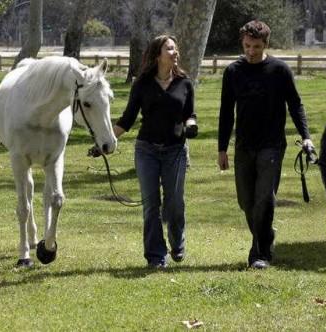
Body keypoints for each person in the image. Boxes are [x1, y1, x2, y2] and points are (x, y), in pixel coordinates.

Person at [217, 20, 314, 269]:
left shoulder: (279, 70)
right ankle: (267, 236)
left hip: (271, 145)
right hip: (243, 146)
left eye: (256, 47)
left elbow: (295, 105)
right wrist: (222, 148)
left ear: (266, 45)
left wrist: (306, 136)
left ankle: (259, 254)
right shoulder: (233, 72)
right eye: (247, 46)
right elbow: (226, 112)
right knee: (245, 202)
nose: (251, 51)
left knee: (264, 199)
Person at [113, 35, 197, 269]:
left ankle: (177, 243)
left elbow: (190, 113)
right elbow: (127, 119)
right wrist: (106, 142)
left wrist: (190, 124)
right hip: (146, 150)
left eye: (175, 48)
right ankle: (155, 255)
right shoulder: (142, 84)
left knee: (174, 203)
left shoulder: (184, 83)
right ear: (157, 55)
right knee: (151, 204)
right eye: (169, 49)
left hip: (176, 150)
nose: (174, 52)